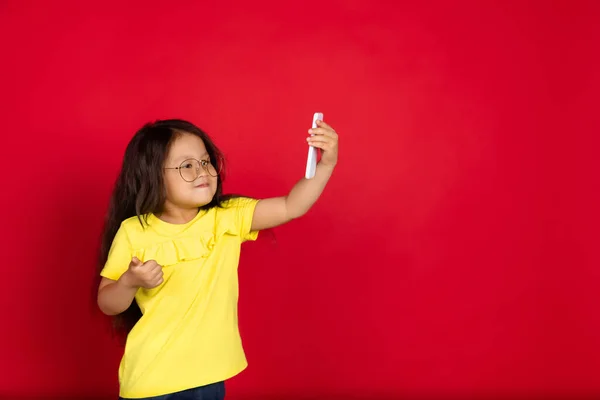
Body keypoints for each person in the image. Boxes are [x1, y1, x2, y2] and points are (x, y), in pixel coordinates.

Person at [96, 118, 338, 399]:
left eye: (205, 161)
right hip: (152, 382)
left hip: (209, 379)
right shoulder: (134, 231)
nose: (202, 172)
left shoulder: (227, 216)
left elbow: (290, 206)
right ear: (152, 176)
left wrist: (325, 165)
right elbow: (107, 303)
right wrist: (129, 282)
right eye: (187, 165)